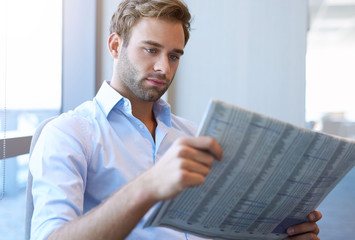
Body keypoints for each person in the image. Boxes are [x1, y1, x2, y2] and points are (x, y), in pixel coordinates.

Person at [30, 0, 322, 239]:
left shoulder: (192, 135)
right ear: (116, 46)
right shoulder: (69, 133)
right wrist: (149, 186)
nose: (163, 68)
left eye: (174, 56)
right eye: (151, 50)